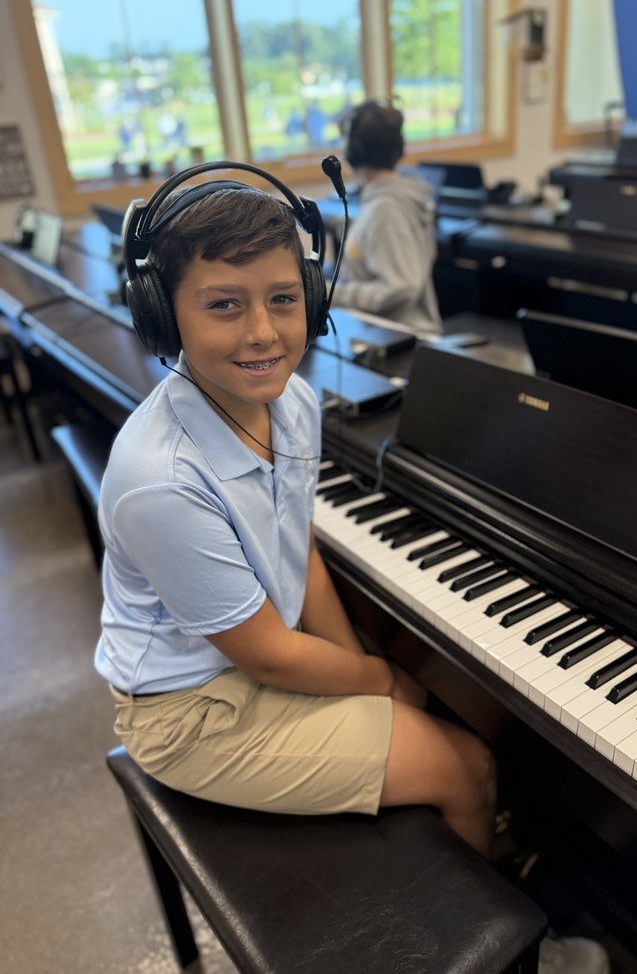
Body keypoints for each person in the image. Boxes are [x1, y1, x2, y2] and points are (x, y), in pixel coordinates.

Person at [93, 166, 496, 858]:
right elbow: (273, 659)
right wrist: (380, 681)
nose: (263, 332)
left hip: (253, 660)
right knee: (468, 766)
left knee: (446, 692)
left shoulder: (294, 404)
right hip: (190, 711)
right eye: (223, 305)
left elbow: (297, 549)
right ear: (162, 314)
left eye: (284, 298)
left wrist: (359, 674)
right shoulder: (159, 480)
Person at [331, 100, 444, 336]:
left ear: (352, 151)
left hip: (402, 338)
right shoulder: (391, 198)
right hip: (386, 334)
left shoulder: (386, 209)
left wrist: (332, 293)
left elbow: (401, 288)